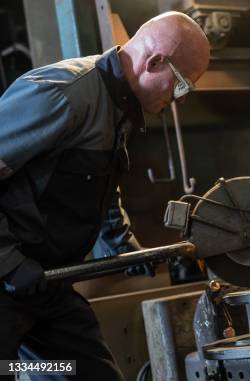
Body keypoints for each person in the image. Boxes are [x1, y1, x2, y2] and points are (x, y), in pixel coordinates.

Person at [0, 11, 210, 380]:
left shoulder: (118, 107)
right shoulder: (62, 95)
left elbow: (96, 186)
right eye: (181, 86)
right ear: (155, 61)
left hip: (45, 287)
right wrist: (8, 263)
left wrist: (122, 245)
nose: (179, 99)